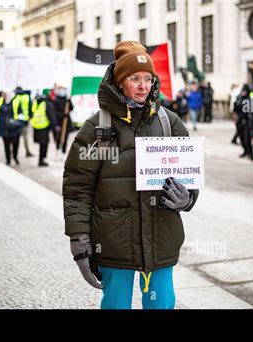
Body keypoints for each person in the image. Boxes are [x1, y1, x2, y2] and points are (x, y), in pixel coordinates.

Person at [63, 41, 199, 310]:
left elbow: (190, 178)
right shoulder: (97, 127)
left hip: (160, 240)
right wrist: (79, 241)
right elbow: (77, 189)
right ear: (119, 81)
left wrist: (187, 198)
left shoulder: (169, 122)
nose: (143, 86)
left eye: (148, 78)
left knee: (162, 305)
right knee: (116, 305)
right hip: (114, 244)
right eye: (134, 78)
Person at [0, 91, 23, 165]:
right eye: (3, 95)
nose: (3, 96)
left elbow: (21, 114)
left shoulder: (16, 101)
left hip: (14, 128)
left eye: (5, 95)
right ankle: (8, 159)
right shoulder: (1, 101)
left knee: (15, 144)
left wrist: (19, 124)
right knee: (6, 144)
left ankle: (15, 156)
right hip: (4, 127)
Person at [31, 94, 55, 166]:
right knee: (43, 145)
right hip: (43, 127)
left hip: (36, 127)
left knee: (42, 145)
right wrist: (54, 126)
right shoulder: (45, 104)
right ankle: (41, 160)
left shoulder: (36, 103)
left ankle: (41, 159)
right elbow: (51, 116)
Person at [12, 87, 34, 157]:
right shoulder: (27, 97)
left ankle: (13, 152)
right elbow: (31, 108)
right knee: (25, 137)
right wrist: (30, 116)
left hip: (16, 121)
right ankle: (27, 151)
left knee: (15, 137)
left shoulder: (14, 98)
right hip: (24, 120)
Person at [53, 86, 74, 156]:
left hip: (66, 122)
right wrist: (62, 115)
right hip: (59, 122)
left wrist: (69, 101)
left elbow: (71, 108)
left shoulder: (66, 99)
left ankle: (63, 151)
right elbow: (55, 111)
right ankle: (57, 150)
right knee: (58, 137)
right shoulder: (56, 100)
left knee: (65, 137)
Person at [233, 85, 252, 158]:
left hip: (247, 121)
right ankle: (245, 151)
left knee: (247, 138)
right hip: (239, 121)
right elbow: (235, 109)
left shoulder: (249, 99)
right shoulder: (238, 98)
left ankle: (249, 152)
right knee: (241, 138)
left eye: (245, 91)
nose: (244, 93)